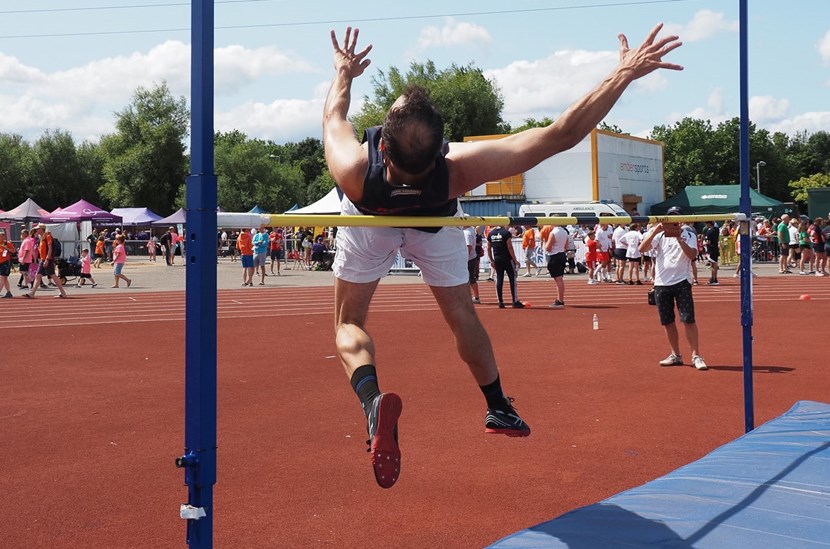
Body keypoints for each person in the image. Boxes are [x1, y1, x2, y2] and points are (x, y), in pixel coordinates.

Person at [324, 24, 681, 488]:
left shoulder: (353, 169)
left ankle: (371, 399)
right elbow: (560, 135)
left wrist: (344, 74)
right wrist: (623, 75)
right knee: (460, 314)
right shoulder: (458, 172)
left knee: (349, 321)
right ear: (441, 152)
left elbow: (333, 114)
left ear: (383, 146)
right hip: (437, 222)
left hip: (368, 214)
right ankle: (497, 406)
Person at [639, 207, 707, 370]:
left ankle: (696, 355)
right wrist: (655, 231)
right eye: (670, 218)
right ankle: (675, 354)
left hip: (682, 282)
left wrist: (679, 239)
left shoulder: (688, 234)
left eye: (676, 218)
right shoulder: (660, 235)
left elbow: (692, 256)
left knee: (688, 319)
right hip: (662, 283)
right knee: (667, 321)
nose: (673, 221)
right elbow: (642, 249)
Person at [25, 225, 67, 299]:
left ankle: (63, 292)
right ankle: (32, 293)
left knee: (53, 275)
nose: (36, 230)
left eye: (38, 229)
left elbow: (50, 248)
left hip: (48, 259)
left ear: (41, 229)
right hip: (43, 259)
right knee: (38, 276)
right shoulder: (41, 238)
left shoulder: (47, 236)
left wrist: (47, 260)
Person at [487, 225, 524, 308]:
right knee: (512, 279)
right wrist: (515, 260)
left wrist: (491, 260)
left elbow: (488, 248)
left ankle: (500, 301)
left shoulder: (491, 234)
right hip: (507, 259)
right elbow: (509, 247)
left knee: (499, 279)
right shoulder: (506, 233)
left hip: (497, 259)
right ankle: (514, 301)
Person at [543, 224, 568, 308]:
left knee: (558, 279)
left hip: (554, 256)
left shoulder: (553, 233)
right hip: (562, 255)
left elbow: (548, 248)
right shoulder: (565, 232)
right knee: (559, 279)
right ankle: (559, 299)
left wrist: (546, 243)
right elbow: (566, 246)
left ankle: (560, 300)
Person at [463, 226, 482, 304]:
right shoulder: (471, 230)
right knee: (469, 278)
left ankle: (476, 297)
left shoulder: (467, 233)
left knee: (470, 278)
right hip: (471, 257)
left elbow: (469, 246)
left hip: (469, 258)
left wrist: (464, 259)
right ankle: (475, 296)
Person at [703, 220, 720, 285]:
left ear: (709, 224)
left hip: (711, 249)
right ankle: (714, 278)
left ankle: (714, 278)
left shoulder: (709, 231)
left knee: (713, 264)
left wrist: (705, 244)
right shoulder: (716, 229)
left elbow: (709, 242)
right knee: (714, 264)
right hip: (715, 248)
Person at [0, 230, 15, 298]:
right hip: (0, 262)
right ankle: (8, 292)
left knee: (2, 278)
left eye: (1, 236)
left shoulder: (7, 243)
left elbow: (13, 250)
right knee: (5, 278)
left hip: (5, 263)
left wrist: (6, 248)